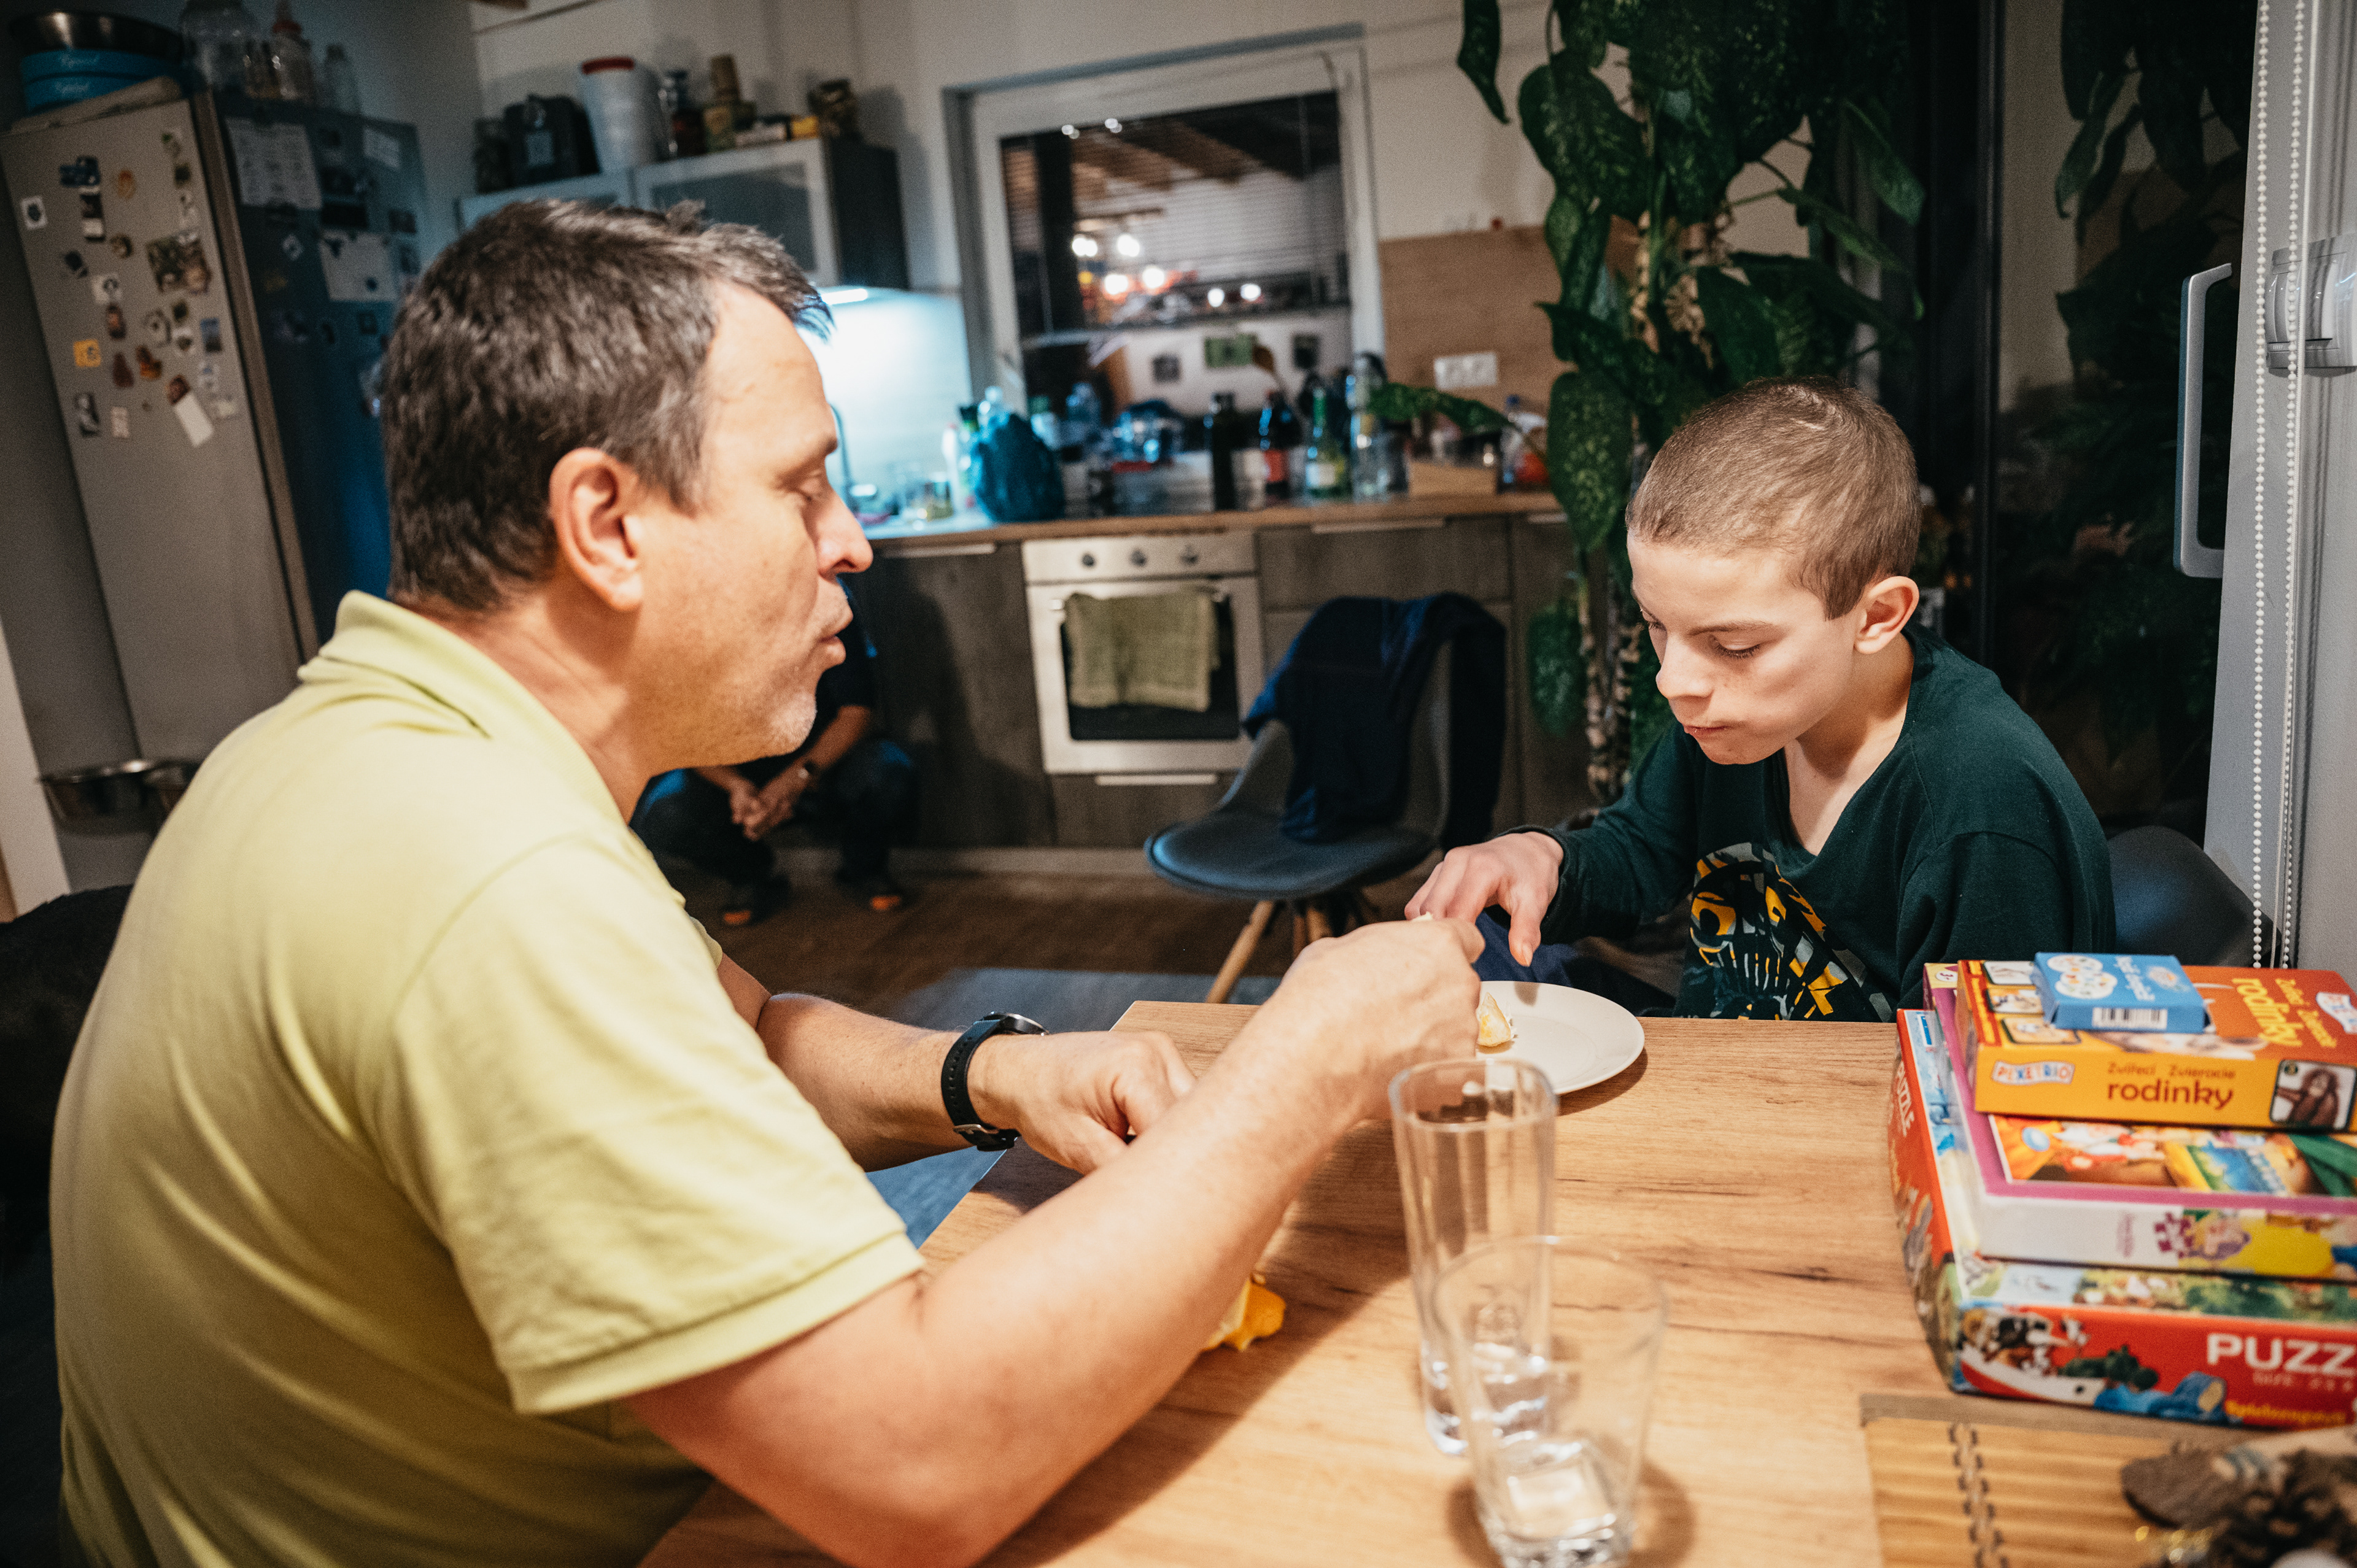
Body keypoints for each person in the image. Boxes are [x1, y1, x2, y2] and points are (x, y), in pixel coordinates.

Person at [48, 199, 1487, 1568]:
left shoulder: (350, 745)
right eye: (802, 487)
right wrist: (1297, 1071)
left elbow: (734, 1035)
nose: (851, 539)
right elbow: (916, 1466)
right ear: (606, 524)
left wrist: (992, 1073)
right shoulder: (488, 880)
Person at [1408, 377, 2113, 1021]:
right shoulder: (1736, 715)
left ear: (1875, 616)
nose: (1673, 680)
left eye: (1735, 644)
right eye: (1657, 625)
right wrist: (1538, 857)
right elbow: (1638, 849)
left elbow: (1967, 1086)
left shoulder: (1985, 811)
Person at [633, 595, 916, 920]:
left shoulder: (826, 600)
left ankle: (863, 869)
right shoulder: (690, 619)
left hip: (825, 762)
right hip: (739, 770)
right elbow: (683, 733)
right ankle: (753, 877)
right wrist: (735, 786)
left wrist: (795, 779)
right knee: (663, 813)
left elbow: (857, 713)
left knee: (890, 773)